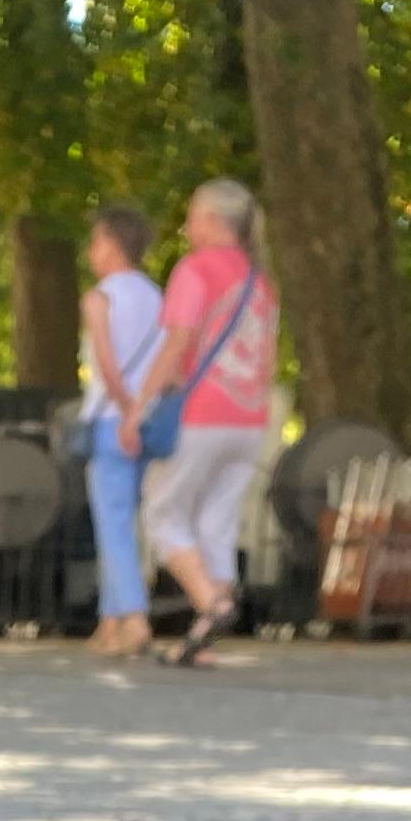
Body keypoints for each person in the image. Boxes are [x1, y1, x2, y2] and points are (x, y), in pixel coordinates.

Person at [127, 177, 278, 666]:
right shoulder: (260, 281)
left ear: (213, 221)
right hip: (250, 418)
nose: (187, 226)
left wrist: (138, 407)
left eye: (191, 216)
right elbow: (269, 361)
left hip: (201, 414)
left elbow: (176, 347)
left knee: (162, 512)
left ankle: (213, 602)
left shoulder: (195, 271)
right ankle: (202, 638)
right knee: (217, 520)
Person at [75, 206, 163, 657]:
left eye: (95, 242)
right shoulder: (156, 296)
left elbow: (108, 367)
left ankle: (133, 617)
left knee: (111, 523)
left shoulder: (100, 298)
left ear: (111, 244)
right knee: (126, 520)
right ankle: (109, 623)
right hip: (148, 421)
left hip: (113, 419)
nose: (91, 251)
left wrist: (127, 410)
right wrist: (142, 411)